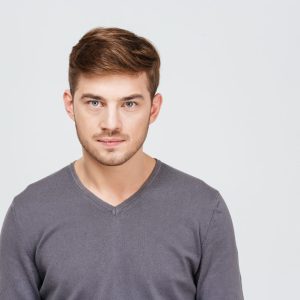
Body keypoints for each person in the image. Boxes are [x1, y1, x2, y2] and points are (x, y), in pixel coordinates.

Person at [0, 27, 244, 299]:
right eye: (95, 102)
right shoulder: (29, 214)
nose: (111, 124)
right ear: (70, 106)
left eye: (129, 104)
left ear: (154, 108)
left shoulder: (204, 211)